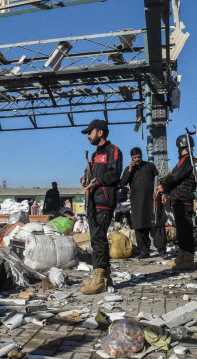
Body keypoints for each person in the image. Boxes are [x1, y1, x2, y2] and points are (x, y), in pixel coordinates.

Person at [80, 119, 123, 295]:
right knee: (97, 238)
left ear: (100, 132)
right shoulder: (94, 155)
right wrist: (84, 179)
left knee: (98, 238)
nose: (88, 136)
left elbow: (114, 173)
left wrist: (97, 181)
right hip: (92, 200)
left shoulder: (113, 150)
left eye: (90, 132)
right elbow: (90, 174)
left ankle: (99, 278)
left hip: (104, 201)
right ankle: (105, 276)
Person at [157, 135, 197, 269]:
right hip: (180, 199)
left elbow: (175, 176)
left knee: (185, 231)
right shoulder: (188, 160)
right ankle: (182, 256)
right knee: (181, 231)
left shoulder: (186, 160)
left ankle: (188, 259)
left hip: (183, 199)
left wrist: (164, 186)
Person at [120, 147, 159, 259]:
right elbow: (122, 182)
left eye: (139, 157)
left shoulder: (150, 166)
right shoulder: (129, 168)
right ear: (131, 158)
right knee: (139, 227)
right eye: (135, 157)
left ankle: (161, 249)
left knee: (154, 225)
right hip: (137, 202)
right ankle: (144, 251)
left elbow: (157, 180)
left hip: (151, 201)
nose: (137, 159)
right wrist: (130, 170)